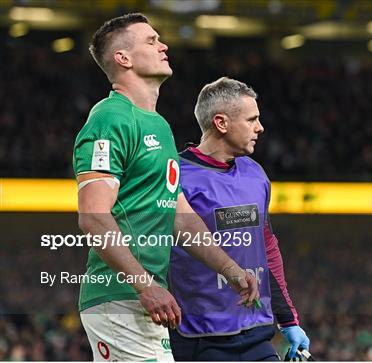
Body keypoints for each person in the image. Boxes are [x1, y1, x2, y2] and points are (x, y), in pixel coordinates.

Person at [73, 14, 258, 361]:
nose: (164, 46)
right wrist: (145, 286)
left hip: (141, 301)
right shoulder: (110, 117)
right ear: (123, 58)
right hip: (120, 297)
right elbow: (93, 217)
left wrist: (229, 269)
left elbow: (181, 217)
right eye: (151, 40)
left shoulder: (158, 126)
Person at [168, 77, 310, 361]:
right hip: (199, 339)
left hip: (256, 334)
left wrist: (288, 319)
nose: (260, 127)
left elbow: (266, 249)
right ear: (221, 123)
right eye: (252, 119)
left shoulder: (255, 173)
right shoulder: (177, 175)